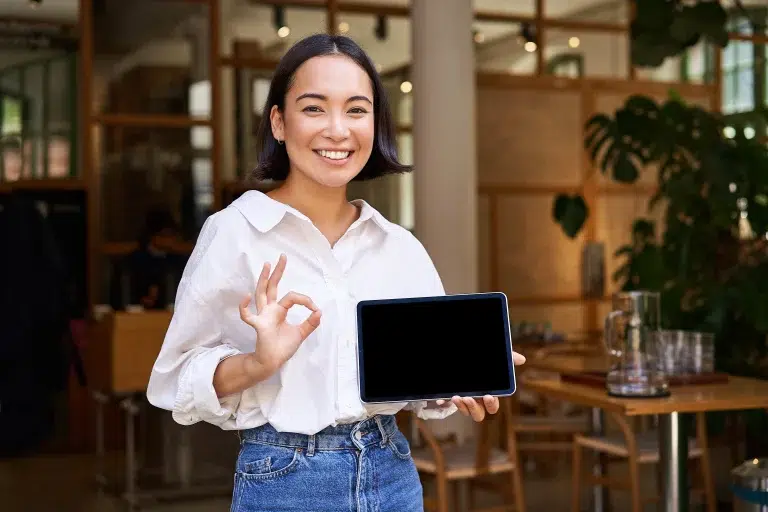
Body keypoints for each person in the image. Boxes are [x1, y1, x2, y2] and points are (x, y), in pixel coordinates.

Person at [146, 34, 525, 511]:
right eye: (313, 108)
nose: (337, 130)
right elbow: (177, 377)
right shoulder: (236, 232)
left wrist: (459, 378)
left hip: (391, 476)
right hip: (284, 479)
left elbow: (419, 380)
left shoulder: (397, 246)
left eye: (356, 109)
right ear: (279, 122)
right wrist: (258, 364)